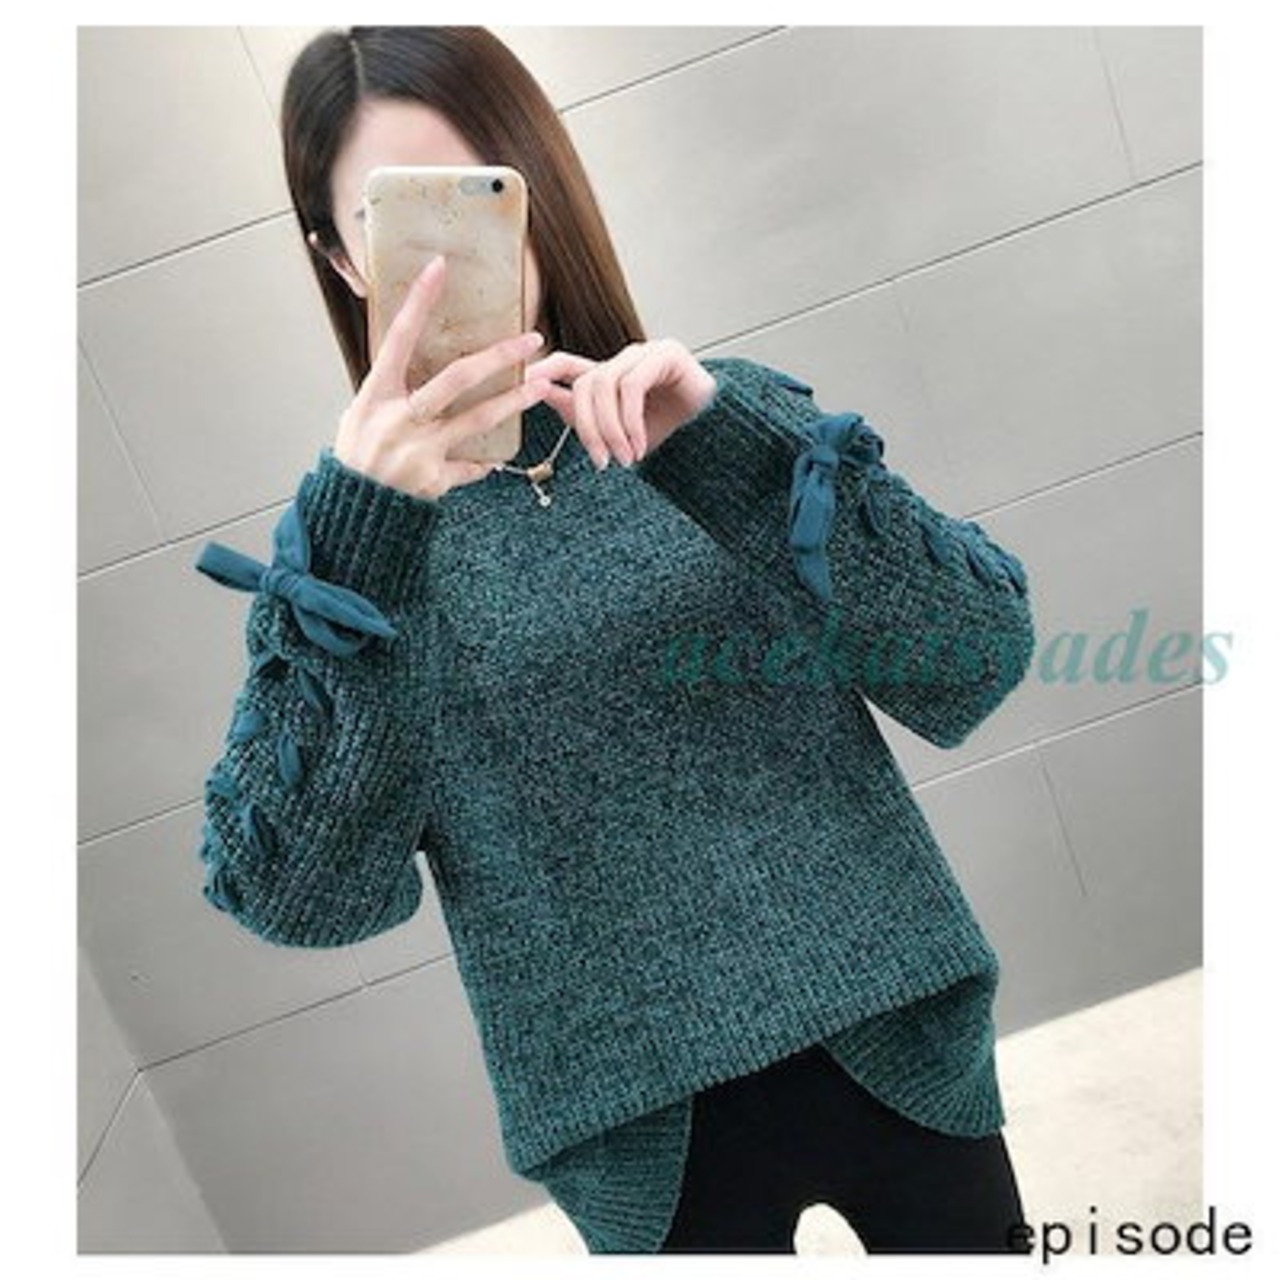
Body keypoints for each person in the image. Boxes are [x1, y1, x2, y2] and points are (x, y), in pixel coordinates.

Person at [193, 26, 1038, 1255]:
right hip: (643, 1138)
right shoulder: (352, 559)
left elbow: (971, 656)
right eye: (398, 214)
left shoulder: (720, 417)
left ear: (542, 185)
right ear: (337, 254)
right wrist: (363, 539)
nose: (451, 251)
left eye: (483, 192)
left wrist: (729, 442)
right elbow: (299, 896)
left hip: (900, 1035)